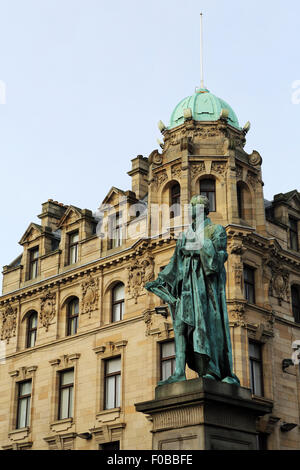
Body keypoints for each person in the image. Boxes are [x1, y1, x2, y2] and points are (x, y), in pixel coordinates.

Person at [145, 195, 240, 386]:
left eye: (194, 207)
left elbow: (219, 258)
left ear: (203, 209)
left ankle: (210, 369)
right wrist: (159, 281)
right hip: (186, 289)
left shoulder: (216, 230)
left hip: (206, 290)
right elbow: (174, 263)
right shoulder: (185, 235)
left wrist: (199, 248)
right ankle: (179, 371)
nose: (190, 211)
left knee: (205, 327)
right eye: (190, 208)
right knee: (180, 327)